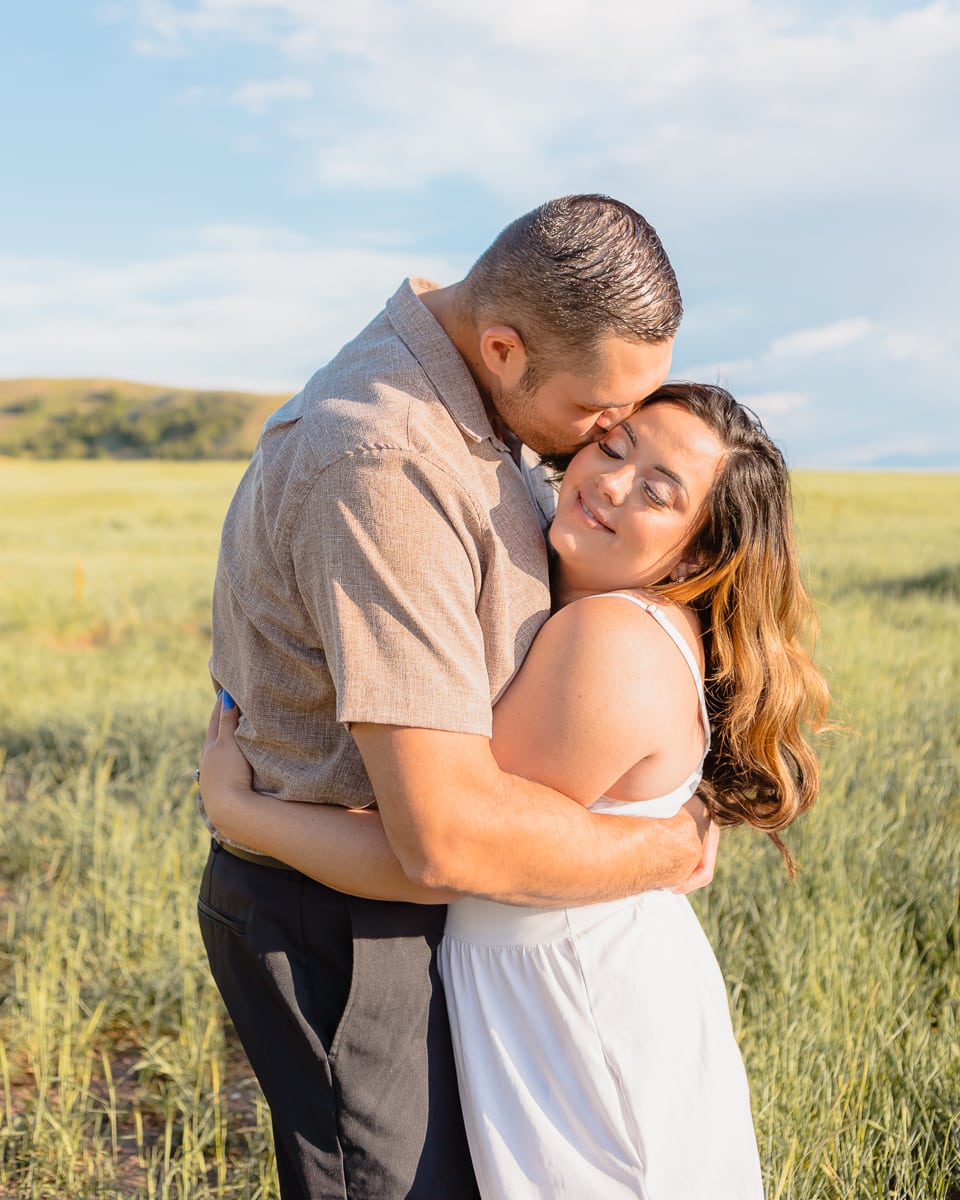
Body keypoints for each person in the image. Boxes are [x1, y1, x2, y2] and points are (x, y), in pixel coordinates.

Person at [198, 195, 716, 1200]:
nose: (603, 445)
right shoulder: (388, 457)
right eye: (595, 417)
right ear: (506, 347)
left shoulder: (481, 401)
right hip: (347, 921)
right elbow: (444, 839)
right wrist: (663, 847)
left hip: (417, 906)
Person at [200, 382, 831, 1198]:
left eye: (657, 491)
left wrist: (244, 813)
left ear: (695, 556)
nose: (611, 483)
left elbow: (444, 850)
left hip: (577, 1012)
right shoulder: (601, 602)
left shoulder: (607, 637)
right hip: (547, 994)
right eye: (615, 447)